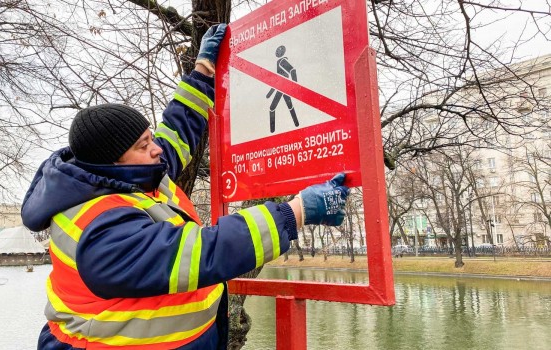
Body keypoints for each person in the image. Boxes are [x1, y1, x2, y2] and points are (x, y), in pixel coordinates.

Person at [21, 24, 349, 350]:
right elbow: (200, 252)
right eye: (143, 145)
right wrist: (296, 212)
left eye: (149, 138)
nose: (157, 149)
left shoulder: (132, 176)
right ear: (115, 161)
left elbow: (177, 129)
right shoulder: (96, 225)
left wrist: (203, 72)